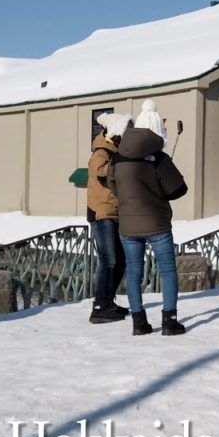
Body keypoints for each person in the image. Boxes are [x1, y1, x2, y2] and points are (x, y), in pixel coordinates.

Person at [108, 99, 188, 336]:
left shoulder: (117, 158)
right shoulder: (158, 158)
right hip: (157, 222)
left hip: (128, 225)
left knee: (134, 272)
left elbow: (112, 186)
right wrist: (158, 191)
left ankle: (139, 322)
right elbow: (179, 189)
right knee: (167, 270)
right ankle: (169, 321)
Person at [87, 112, 133, 323]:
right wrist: (120, 163)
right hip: (101, 213)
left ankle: (108, 301)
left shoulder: (114, 151)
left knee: (120, 261)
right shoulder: (101, 151)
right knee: (109, 259)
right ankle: (99, 306)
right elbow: (99, 171)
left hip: (114, 213)